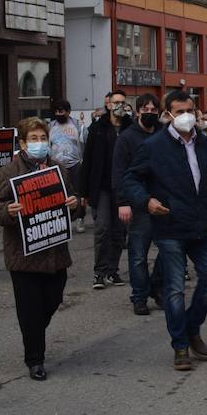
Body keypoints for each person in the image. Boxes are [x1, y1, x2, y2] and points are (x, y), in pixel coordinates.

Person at [120, 90, 207, 371]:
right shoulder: (154, 146)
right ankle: (180, 345)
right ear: (167, 115)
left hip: (202, 225)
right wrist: (146, 201)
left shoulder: (205, 144)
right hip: (170, 228)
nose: (185, 116)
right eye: (179, 112)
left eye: (189, 110)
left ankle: (192, 327)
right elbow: (130, 179)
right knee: (175, 289)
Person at [0, 117, 83, 381]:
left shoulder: (59, 170)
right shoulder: (9, 172)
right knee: (29, 308)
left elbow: (75, 204)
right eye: (34, 139)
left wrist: (75, 205)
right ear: (22, 143)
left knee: (52, 300)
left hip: (55, 252)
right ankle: (35, 359)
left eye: (43, 139)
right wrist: (7, 210)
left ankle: (34, 333)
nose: (39, 144)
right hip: (23, 254)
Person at [113, 93, 163, 316]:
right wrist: (123, 202)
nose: (150, 113)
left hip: (163, 202)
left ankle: (157, 285)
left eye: (154, 109)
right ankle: (140, 296)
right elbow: (119, 172)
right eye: (146, 109)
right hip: (138, 203)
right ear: (138, 112)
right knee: (138, 255)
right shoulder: (126, 138)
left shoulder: (164, 134)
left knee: (171, 250)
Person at [83, 90, 132, 290]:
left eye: (123, 102)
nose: (119, 105)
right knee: (102, 227)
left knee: (119, 231)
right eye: (116, 102)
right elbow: (88, 160)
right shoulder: (98, 128)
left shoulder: (131, 127)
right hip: (102, 186)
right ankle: (99, 272)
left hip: (122, 187)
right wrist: (83, 191)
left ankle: (113, 270)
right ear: (109, 105)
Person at [49, 100, 86, 233]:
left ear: (68, 112)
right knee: (58, 193)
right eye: (57, 111)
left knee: (78, 192)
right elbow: (49, 145)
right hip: (57, 166)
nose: (59, 113)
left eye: (62, 111)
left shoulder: (77, 125)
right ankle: (61, 220)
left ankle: (80, 218)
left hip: (75, 164)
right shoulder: (50, 126)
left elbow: (84, 144)